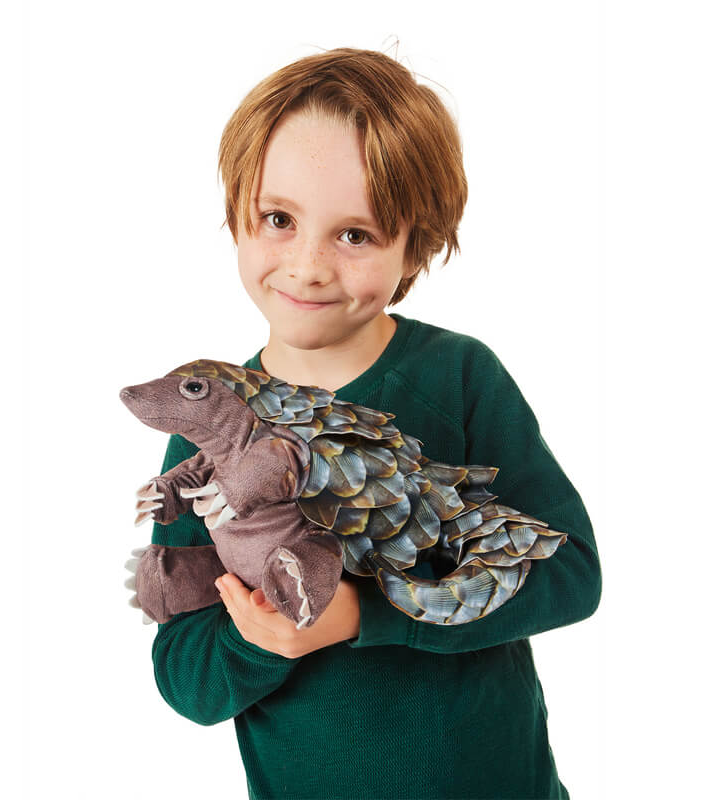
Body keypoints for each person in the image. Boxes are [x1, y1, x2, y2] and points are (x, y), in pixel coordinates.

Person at [146, 47, 602, 800]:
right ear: (236, 214)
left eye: (354, 234)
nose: (308, 266)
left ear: (415, 242)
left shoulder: (460, 378)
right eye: (279, 219)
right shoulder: (203, 422)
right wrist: (267, 640)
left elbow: (570, 572)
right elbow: (186, 676)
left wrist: (365, 613)